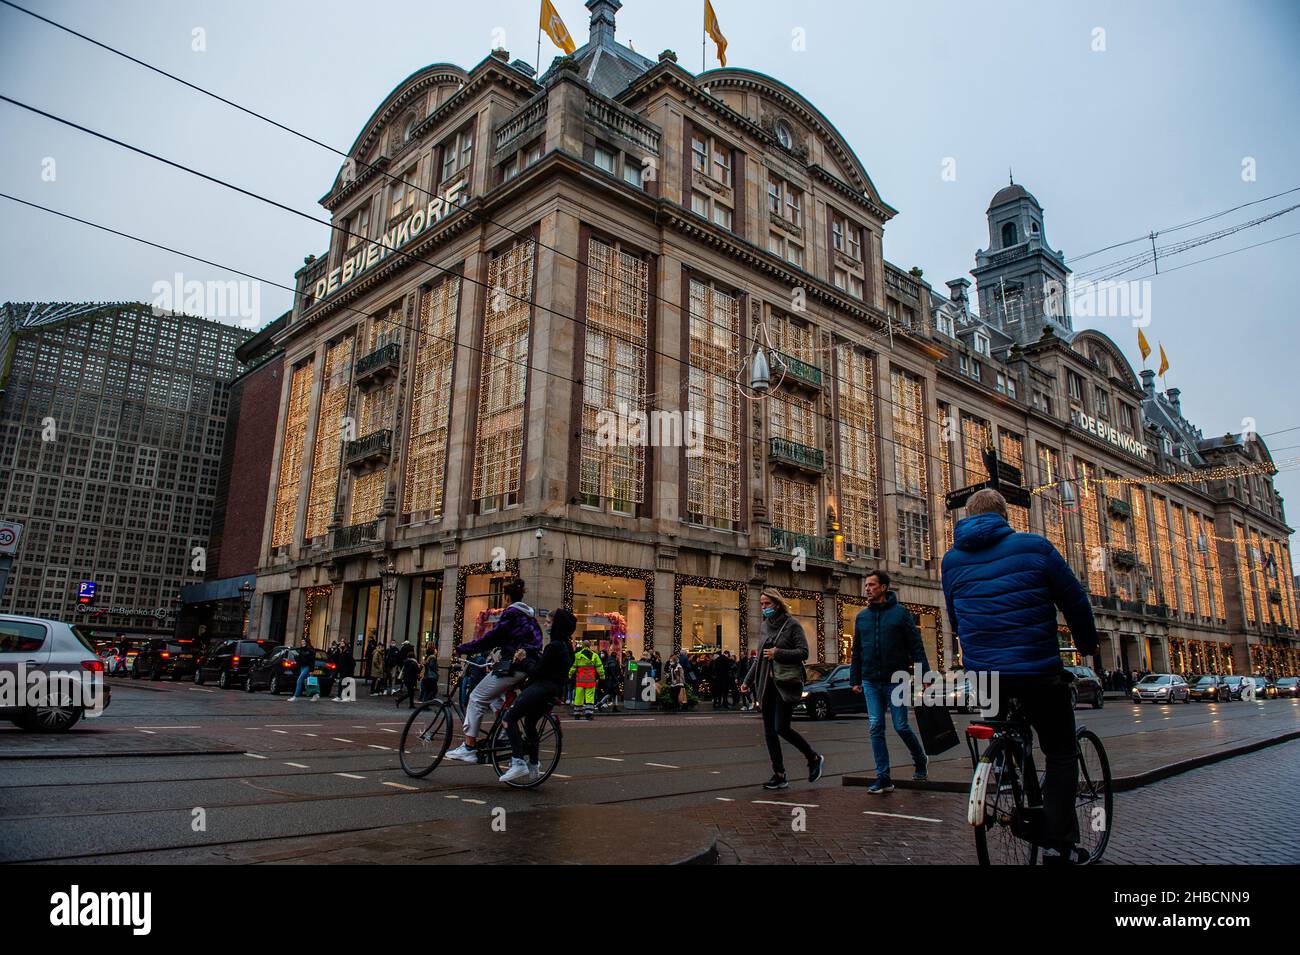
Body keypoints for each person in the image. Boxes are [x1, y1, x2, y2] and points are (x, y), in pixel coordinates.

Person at [941, 488, 1099, 864]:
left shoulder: (951, 560)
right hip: (1036, 670)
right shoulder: (1035, 547)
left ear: (968, 515)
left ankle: (1011, 778)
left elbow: (956, 618)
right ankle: (1057, 844)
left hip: (986, 675)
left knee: (1009, 736)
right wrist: (1087, 645)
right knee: (1060, 752)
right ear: (1004, 516)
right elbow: (1075, 600)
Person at [444, 578, 543, 763]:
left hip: (513, 666)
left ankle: (469, 746)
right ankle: (506, 734)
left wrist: (464, 648)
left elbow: (492, 638)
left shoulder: (511, 614)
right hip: (528, 666)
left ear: (506, 598)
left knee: (476, 697)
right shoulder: (530, 617)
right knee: (498, 699)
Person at [849, 569, 930, 793]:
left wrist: (924, 674)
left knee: (901, 725)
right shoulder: (862, 617)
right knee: (876, 726)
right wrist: (854, 678)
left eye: (872, 585)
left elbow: (916, 646)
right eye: (866, 585)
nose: (867, 589)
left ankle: (920, 758)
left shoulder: (901, 614)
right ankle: (883, 777)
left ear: (884, 588)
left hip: (897, 679)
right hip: (870, 680)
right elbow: (857, 651)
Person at [740, 589, 823, 789]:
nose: (764, 608)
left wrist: (779, 653)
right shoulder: (764, 626)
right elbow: (760, 658)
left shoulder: (792, 625)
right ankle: (779, 774)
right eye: (761, 604)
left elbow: (803, 652)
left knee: (781, 727)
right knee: (769, 731)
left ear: (777, 604)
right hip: (766, 685)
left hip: (785, 685)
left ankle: (813, 757)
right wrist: (747, 681)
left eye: (767, 604)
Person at [500, 608, 577, 784]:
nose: (545, 625)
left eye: (549, 622)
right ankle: (533, 766)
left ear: (557, 625)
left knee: (509, 719)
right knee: (529, 723)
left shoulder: (553, 646)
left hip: (541, 688)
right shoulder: (567, 647)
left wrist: (523, 660)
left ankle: (518, 760)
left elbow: (537, 671)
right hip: (554, 690)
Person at [569, 639, 605, 720]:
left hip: (580, 680)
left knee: (578, 697)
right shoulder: (594, 655)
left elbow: (573, 667)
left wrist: (570, 675)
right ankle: (588, 714)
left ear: (582, 646)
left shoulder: (577, 655)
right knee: (589, 697)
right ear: (590, 646)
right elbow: (599, 667)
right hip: (590, 680)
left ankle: (577, 714)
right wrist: (602, 676)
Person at [395, 643, 421, 708]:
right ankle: (399, 700)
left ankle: (411, 704)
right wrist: (420, 667)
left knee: (411, 693)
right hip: (411, 679)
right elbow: (417, 670)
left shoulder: (406, 662)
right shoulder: (413, 663)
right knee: (410, 693)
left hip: (406, 679)